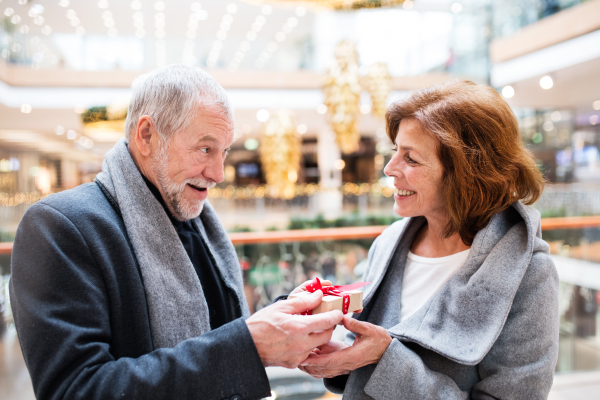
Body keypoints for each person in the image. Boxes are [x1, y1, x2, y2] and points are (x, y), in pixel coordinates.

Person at [9, 64, 343, 400]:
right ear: (147, 136)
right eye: (205, 148)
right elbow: (75, 391)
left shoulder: (196, 219)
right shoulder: (59, 227)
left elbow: (217, 330)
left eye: (224, 152)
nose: (218, 173)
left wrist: (283, 317)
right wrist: (249, 346)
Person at [299, 80, 559, 399]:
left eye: (411, 159)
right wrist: (341, 353)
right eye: (395, 151)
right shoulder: (390, 243)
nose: (390, 169)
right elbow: (370, 353)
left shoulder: (529, 276)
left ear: (467, 173)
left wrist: (385, 361)